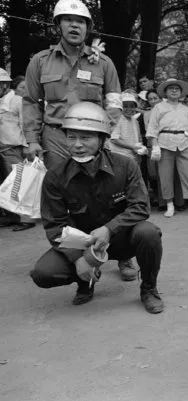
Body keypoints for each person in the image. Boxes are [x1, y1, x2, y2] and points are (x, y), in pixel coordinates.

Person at [30, 102, 164, 313]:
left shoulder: (126, 166)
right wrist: (78, 259)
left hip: (120, 239)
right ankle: (85, 281)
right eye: (71, 137)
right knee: (43, 273)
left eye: (86, 137)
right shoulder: (55, 176)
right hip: (81, 243)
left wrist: (109, 229)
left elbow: (140, 207)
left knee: (149, 233)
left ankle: (149, 288)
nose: (77, 145)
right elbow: (55, 226)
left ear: (102, 139)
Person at [23, 0, 121, 169]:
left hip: (92, 137)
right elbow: (32, 102)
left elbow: (114, 103)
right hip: (54, 139)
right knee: (57, 190)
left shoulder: (104, 63)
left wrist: (104, 134)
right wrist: (32, 140)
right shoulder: (40, 61)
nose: (75, 25)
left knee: (91, 190)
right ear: (57, 26)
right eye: (68, 20)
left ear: (87, 28)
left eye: (81, 21)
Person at [146, 78, 188, 219]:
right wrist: (155, 146)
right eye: (171, 88)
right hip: (164, 144)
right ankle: (170, 205)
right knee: (165, 175)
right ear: (165, 92)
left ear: (181, 92)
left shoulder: (185, 109)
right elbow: (153, 128)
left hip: (184, 143)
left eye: (177, 89)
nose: (174, 91)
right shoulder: (158, 107)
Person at [0, 68, 36, 232]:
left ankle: (26, 219)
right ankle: (10, 217)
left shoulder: (16, 101)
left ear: (5, 85)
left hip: (14, 148)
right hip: (2, 149)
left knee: (18, 184)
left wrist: (28, 144)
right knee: (5, 185)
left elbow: (25, 123)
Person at [109, 92, 147, 166]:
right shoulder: (117, 119)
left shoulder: (135, 121)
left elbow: (139, 139)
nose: (129, 109)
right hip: (119, 156)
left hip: (133, 157)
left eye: (132, 106)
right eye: (125, 106)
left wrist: (141, 149)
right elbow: (114, 139)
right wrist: (133, 147)